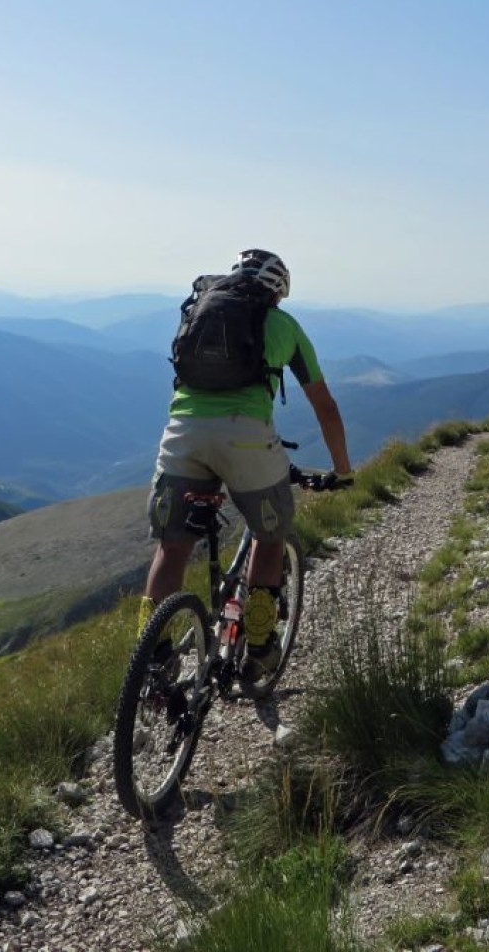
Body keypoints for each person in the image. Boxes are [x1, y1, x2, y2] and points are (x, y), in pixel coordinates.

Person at [140, 248, 353, 680]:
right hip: (248, 440)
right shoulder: (284, 325)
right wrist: (343, 470)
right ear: (278, 293)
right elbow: (325, 408)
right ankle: (258, 646)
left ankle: (151, 658)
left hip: (182, 433)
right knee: (269, 535)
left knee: (172, 546)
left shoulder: (201, 312)